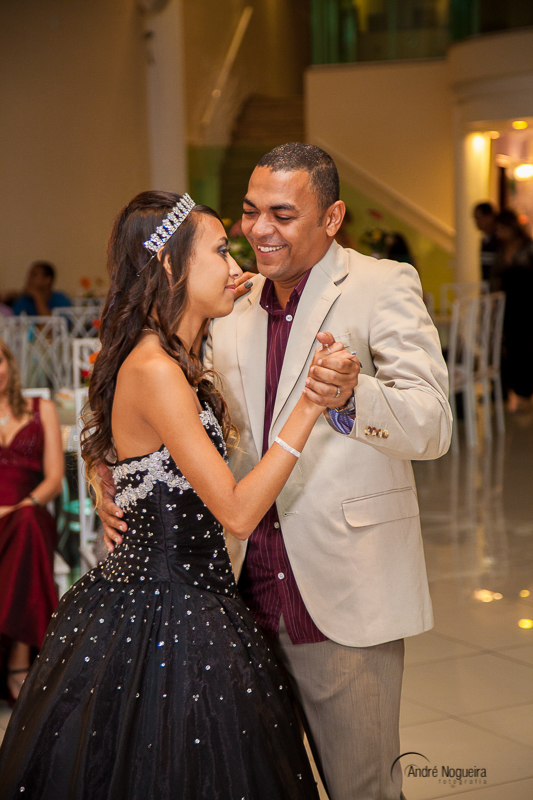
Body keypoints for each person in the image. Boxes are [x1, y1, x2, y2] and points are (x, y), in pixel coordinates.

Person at [101, 146, 453, 800]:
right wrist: (113, 478)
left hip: (341, 594)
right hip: (231, 599)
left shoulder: (381, 284)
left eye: (283, 215)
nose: (259, 230)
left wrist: (353, 396)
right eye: (249, 212)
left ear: (331, 216)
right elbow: (139, 378)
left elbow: (432, 424)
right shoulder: (229, 298)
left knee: (363, 787)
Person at [0, 190, 357, 799]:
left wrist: (109, 478)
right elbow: (239, 513)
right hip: (166, 608)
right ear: (169, 266)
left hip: (189, 596)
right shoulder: (156, 367)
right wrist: (310, 405)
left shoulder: (175, 356)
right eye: (220, 251)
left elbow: (127, 448)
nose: (236, 265)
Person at [0, 340, 63, 704]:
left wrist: (22, 505)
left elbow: (54, 479)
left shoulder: (43, 409)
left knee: (26, 524)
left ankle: (21, 655)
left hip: (30, 512)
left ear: (9, 362)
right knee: (23, 526)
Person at [494, 209, 533, 412]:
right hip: (508, 307)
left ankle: (525, 392)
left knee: (526, 346)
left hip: (527, 305)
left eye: (502, 228)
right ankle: (518, 391)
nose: (499, 233)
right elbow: (497, 278)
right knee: (512, 347)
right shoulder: (501, 249)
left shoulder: (528, 247)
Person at [473, 202, 499, 287]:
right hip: (489, 289)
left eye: (478, 218)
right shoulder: (485, 240)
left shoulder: (499, 240)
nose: (476, 222)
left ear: (489, 217)